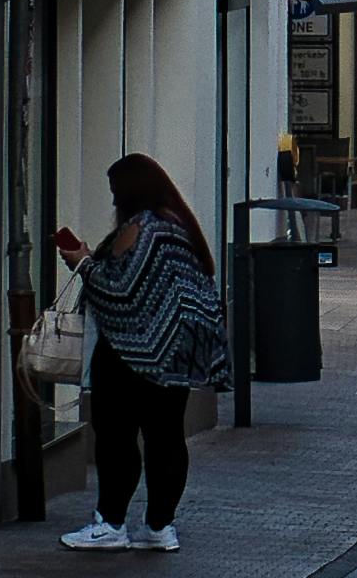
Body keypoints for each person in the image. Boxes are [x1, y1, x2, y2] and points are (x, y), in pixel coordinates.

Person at [47, 155, 231, 553]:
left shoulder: (140, 229)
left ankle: (111, 522)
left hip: (134, 352)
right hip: (177, 352)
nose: (113, 200)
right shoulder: (178, 226)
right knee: (166, 438)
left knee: (116, 437)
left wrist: (81, 263)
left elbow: (119, 290)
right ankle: (160, 525)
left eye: (116, 192)